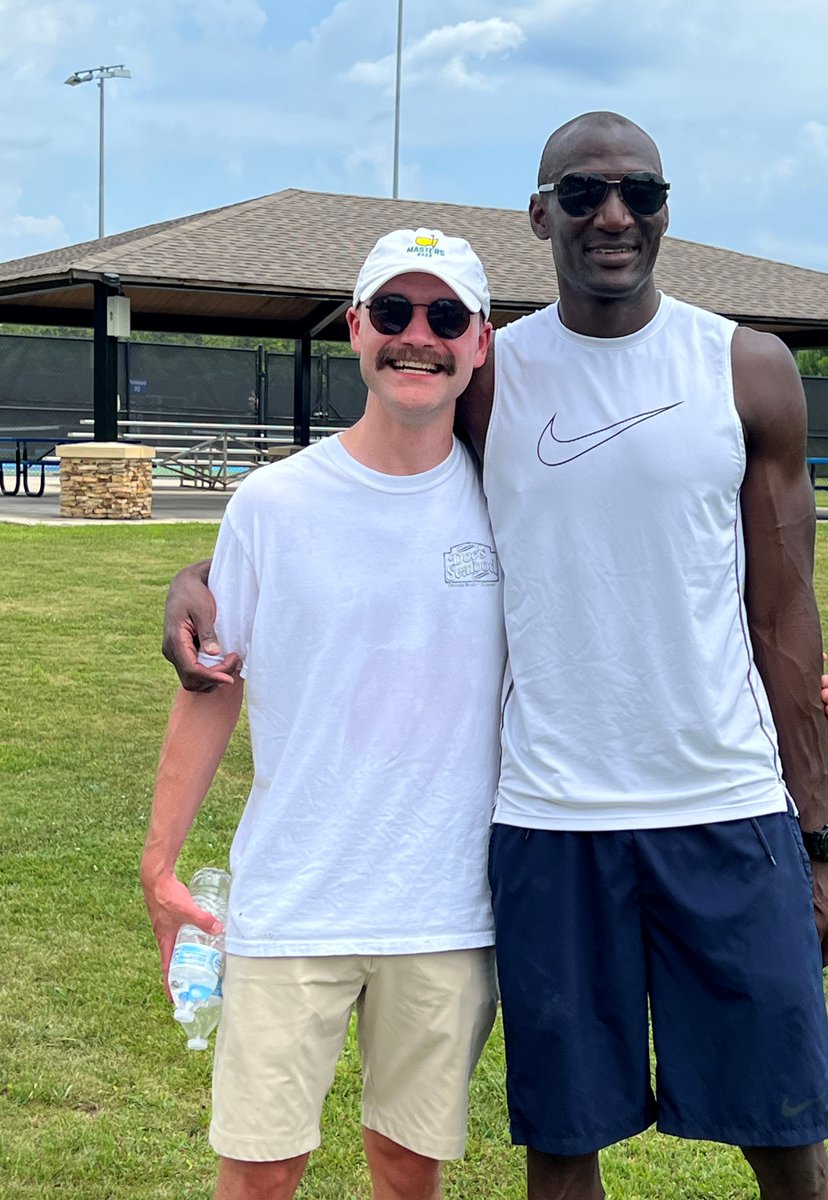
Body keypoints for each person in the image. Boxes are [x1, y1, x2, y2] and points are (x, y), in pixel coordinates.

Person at [162, 113, 828, 1200]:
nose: (614, 215)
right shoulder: (496, 377)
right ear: (542, 216)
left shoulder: (746, 369)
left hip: (725, 809)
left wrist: (818, 842)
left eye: (641, 193)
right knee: (564, 1148)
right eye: (582, 194)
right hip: (553, 823)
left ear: (669, 209)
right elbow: (372, 480)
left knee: (787, 1138)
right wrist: (208, 574)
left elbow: (787, 615)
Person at [142, 229, 504, 1200]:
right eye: (393, 313)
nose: (416, 337)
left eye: (444, 317)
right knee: (261, 1170)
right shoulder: (274, 503)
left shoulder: (509, 502)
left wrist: (776, 690)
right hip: (291, 897)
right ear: (356, 329)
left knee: (406, 1165)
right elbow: (213, 685)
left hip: (445, 906)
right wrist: (159, 865)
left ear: (479, 341)